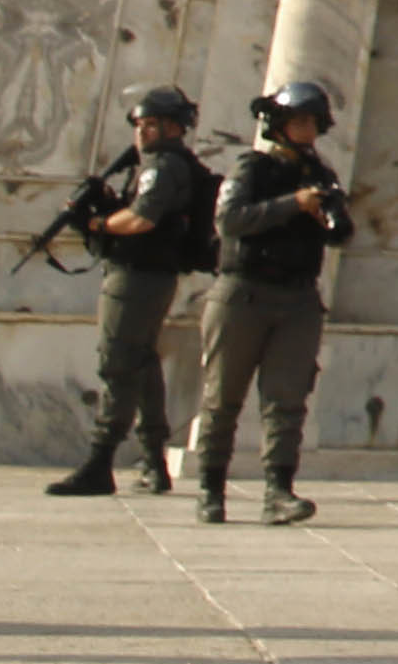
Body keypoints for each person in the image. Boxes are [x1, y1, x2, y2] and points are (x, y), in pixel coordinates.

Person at [191, 78, 354, 524]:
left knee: (287, 398)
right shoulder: (253, 169)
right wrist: (291, 205)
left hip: (297, 296)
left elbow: (342, 232)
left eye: (312, 122)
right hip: (244, 292)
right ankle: (210, 488)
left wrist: (327, 213)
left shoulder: (321, 175)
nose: (307, 129)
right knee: (223, 396)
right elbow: (231, 220)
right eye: (298, 120)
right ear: (279, 124)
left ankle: (278, 491)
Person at [42, 86, 216, 499]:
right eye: (140, 125)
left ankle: (100, 462)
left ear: (174, 128)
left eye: (151, 124)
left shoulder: (163, 165)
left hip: (138, 277)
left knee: (117, 364)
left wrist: (99, 225)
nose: (142, 133)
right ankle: (154, 462)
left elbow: (141, 220)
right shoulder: (162, 165)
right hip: (147, 275)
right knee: (141, 364)